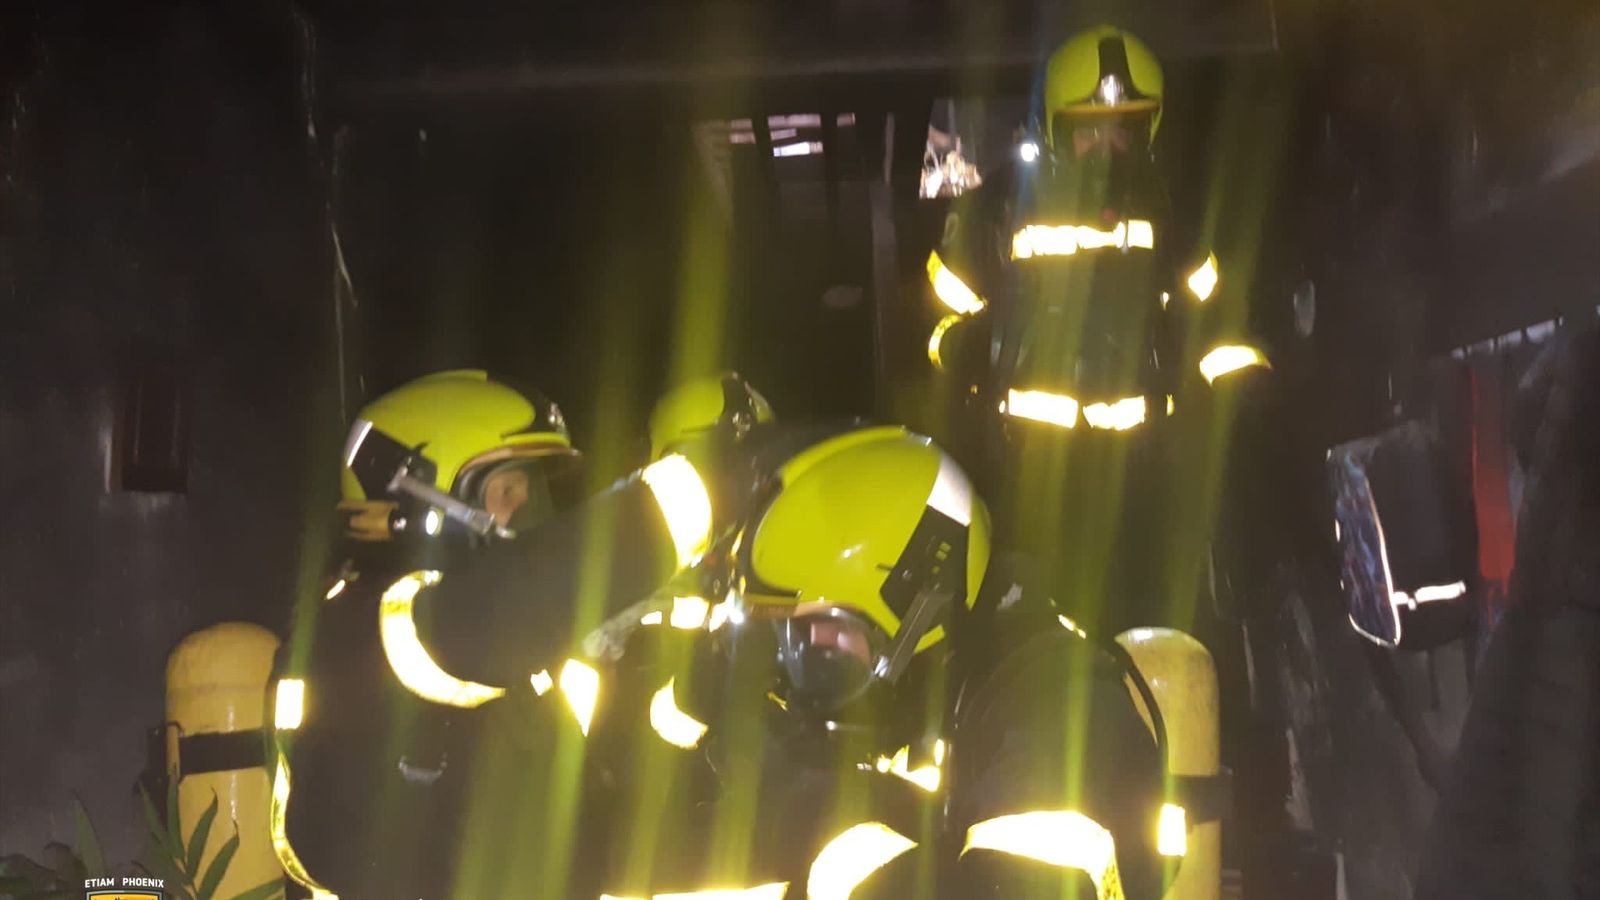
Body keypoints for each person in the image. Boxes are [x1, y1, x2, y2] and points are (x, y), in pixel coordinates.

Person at [399, 411, 1217, 898]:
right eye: (781, 637)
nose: (800, 667)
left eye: (823, 637)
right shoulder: (887, 684)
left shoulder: (1059, 710)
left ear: (920, 611)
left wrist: (819, 816)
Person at [265, 369, 582, 899]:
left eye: (526, 490)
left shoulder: (458, 624)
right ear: (426, 494)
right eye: (506, 490)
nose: (523, 509)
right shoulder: (377, 626)